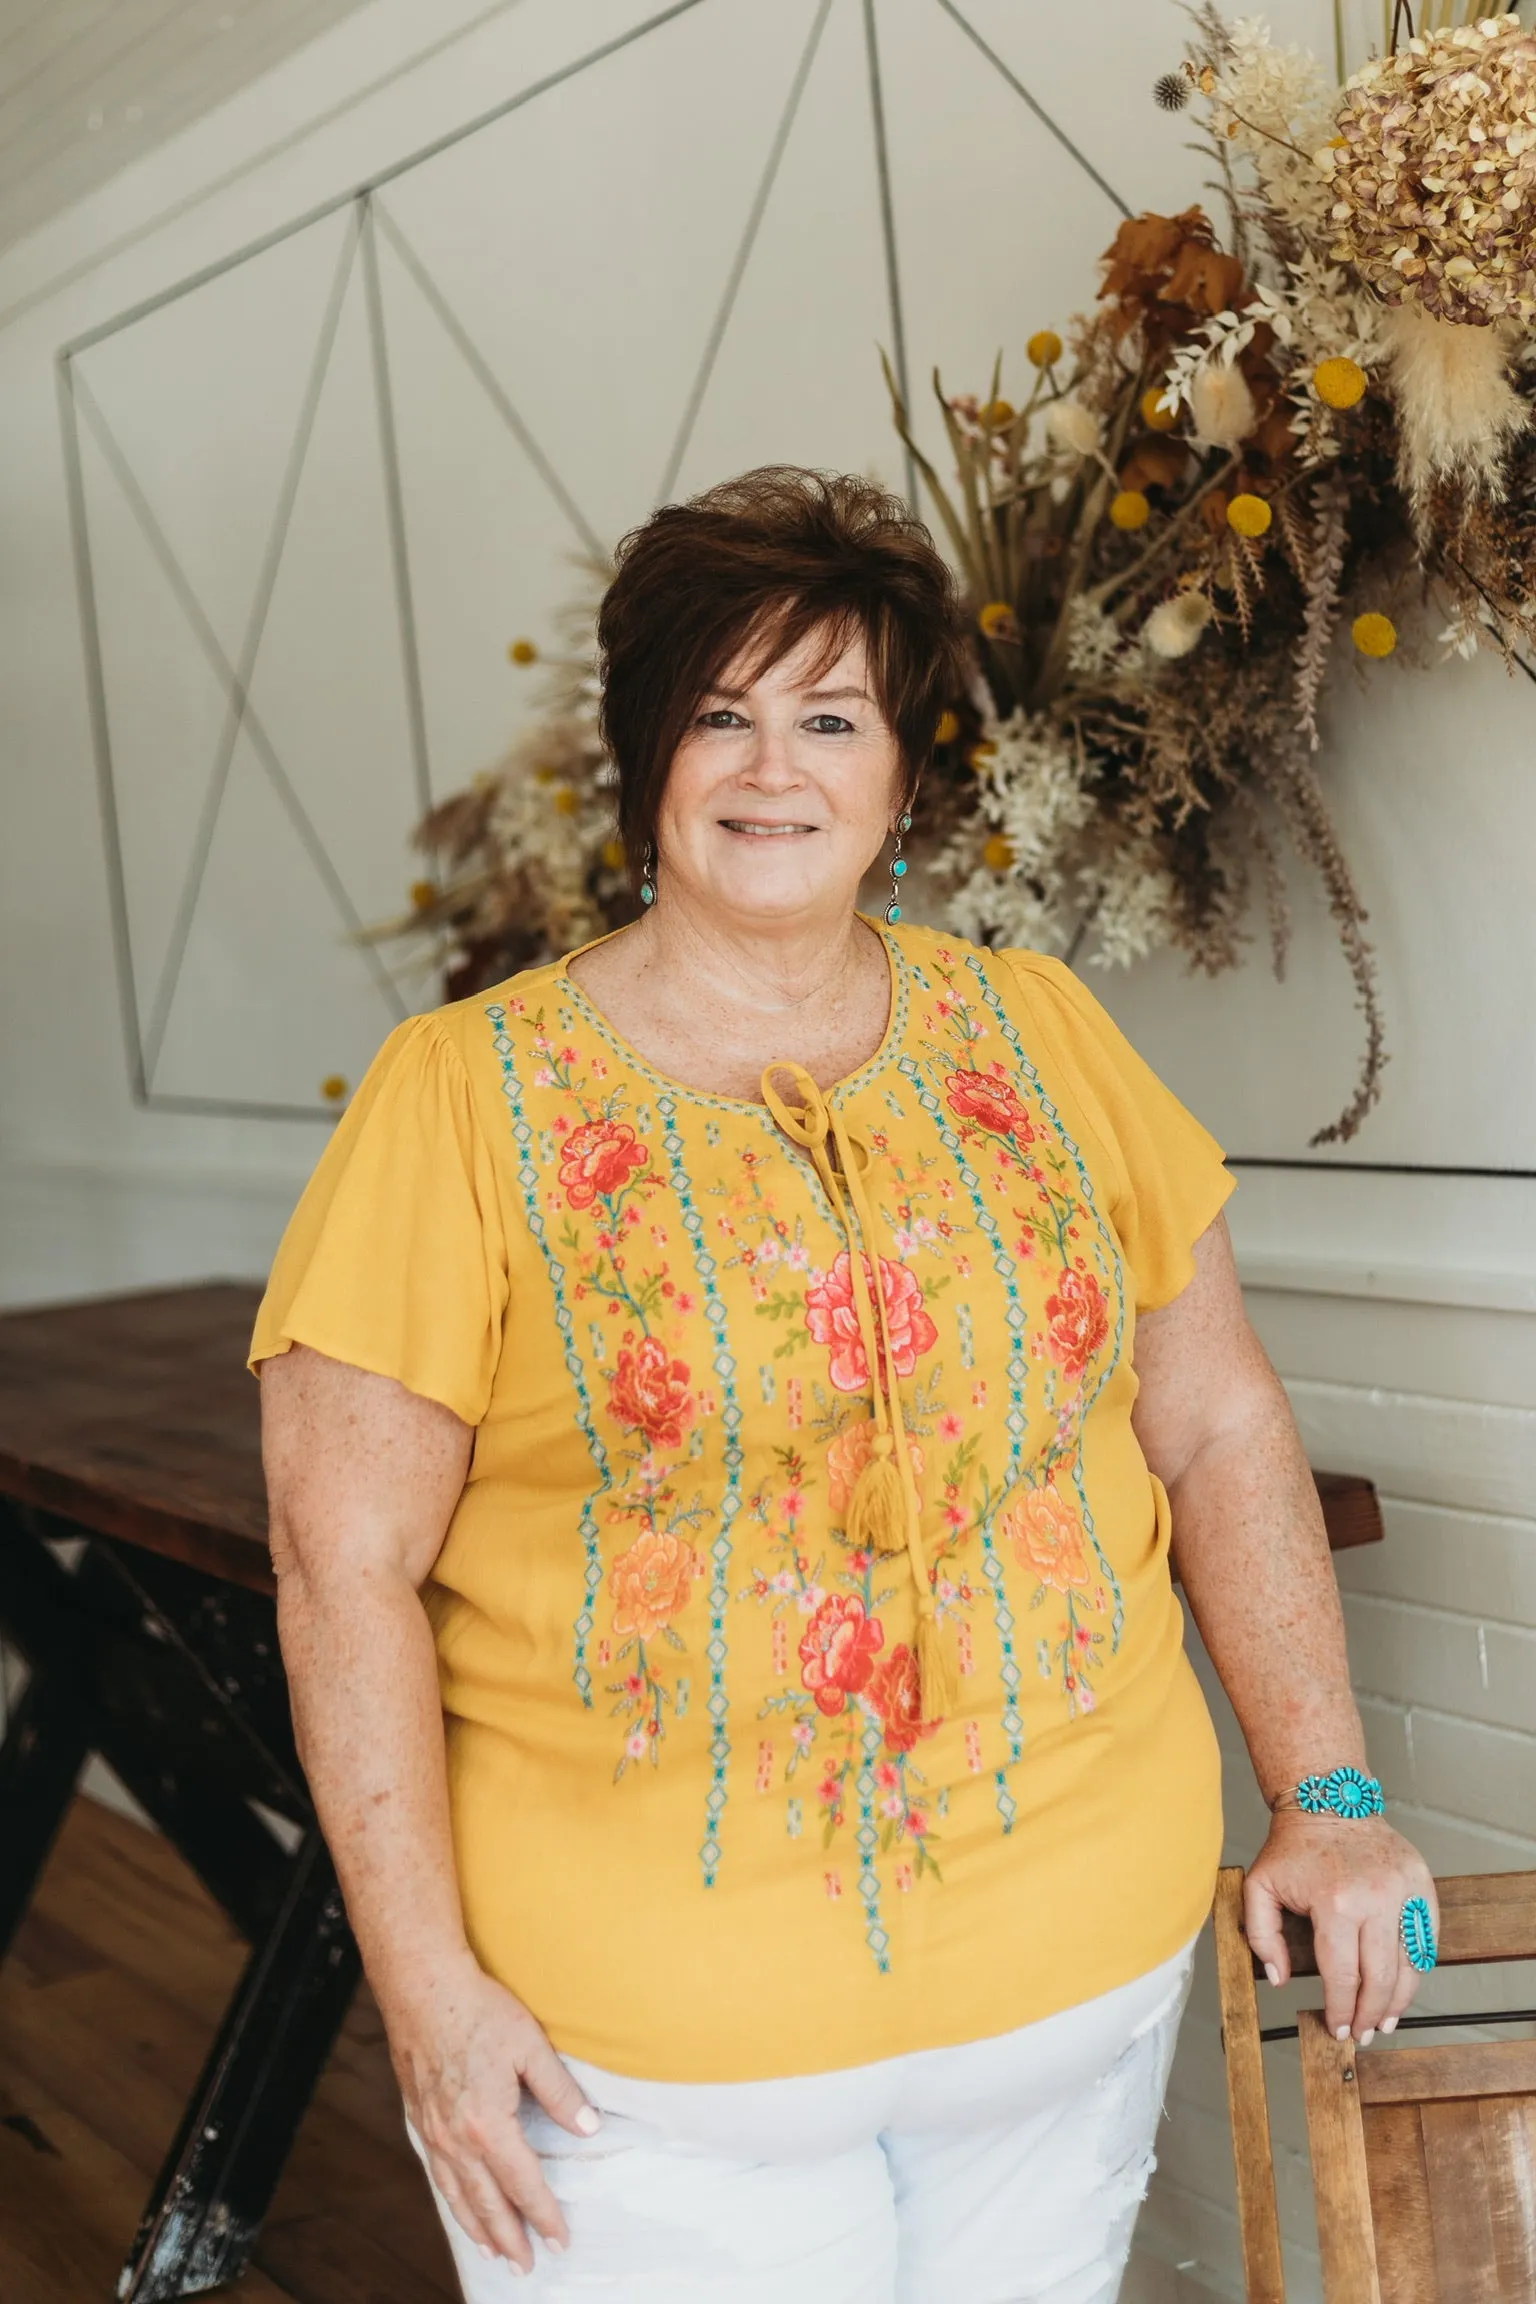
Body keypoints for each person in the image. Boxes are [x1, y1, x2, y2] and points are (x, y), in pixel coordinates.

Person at [252, 468, 1435, 2304]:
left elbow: (1213, 1422)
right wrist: (423, 1995)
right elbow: (343, 1571)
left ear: (901, 772)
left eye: (829, 716)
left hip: (1078, 1985)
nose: (771, 767)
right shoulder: (458, 1098)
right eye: (718, 716)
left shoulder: (1038, 1032)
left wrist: (1332, 1801)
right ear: (647, 756)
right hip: (642, 2065)